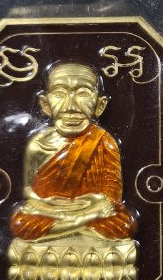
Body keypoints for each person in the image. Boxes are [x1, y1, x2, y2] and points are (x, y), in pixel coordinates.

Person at [10, 62, 137, 241]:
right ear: (45, 104)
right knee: (21, 222)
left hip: (92, 210)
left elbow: (113, 196)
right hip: (52, 211)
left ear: (100, 105)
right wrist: (45, 204)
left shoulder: (103, 141)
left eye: (83, 93)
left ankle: (65, 229)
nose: (71, 105)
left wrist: (94, 202)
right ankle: (78, 225)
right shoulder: (37, 145)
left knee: (123, 223)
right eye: (59, 93)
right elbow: (28, 190)